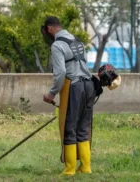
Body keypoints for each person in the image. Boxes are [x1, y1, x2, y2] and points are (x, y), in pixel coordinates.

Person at [42, 16, 96, 176]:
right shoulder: (77, 41)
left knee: (69, 127)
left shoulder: (57, 45)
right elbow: (85, 62)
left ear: (50, 29)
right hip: (89, 85)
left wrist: (51, 94)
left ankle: (69, 169)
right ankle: (85, 167)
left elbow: (60, 74)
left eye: (46, 30)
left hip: (75, 87)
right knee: (83, 127)